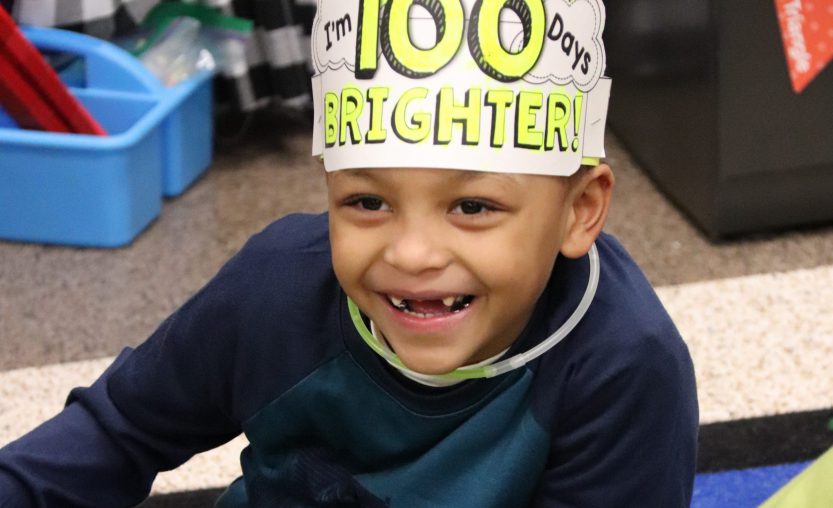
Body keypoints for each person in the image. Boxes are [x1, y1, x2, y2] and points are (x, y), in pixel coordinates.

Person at [0, 0, 698, 506]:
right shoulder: (273, 290)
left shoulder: (622, 364)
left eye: (472, 207)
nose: (414, 253)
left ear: (578, 212)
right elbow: (117, 432)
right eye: (367, 203)